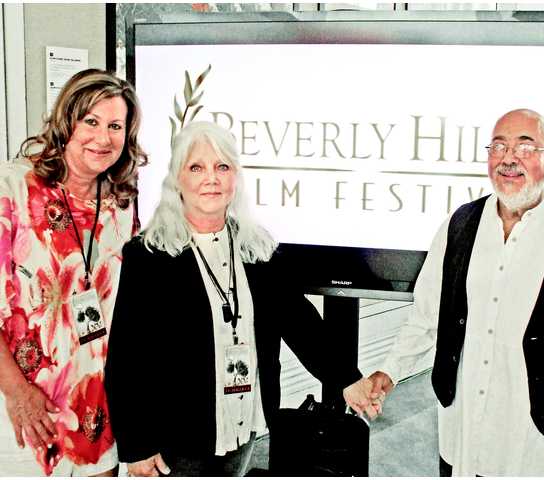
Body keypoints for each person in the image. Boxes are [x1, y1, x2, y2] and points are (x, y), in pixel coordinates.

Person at [104, 121, 377, 477]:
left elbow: (301, 323)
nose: (211, 178)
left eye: (222, 167)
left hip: (244, 424)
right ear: (177, 180)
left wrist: (347, 379)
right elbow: (128, 359)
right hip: (177, 440)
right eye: (197, 167)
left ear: (235, 177)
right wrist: (137, 445)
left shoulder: (257, 248)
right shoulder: (149, 256)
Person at [369, 109, 544, 476]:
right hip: (462, 432)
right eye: (499, 147)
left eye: (524, 147)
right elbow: (426, 317)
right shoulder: (459, 223)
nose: (508, 158)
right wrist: (390, 370)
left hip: (535, 443)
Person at [0, 69, 148, 476]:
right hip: (26, 410)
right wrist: (17, 394)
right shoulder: (12, 187)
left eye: (115, 126)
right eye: (91, 122)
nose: (103, 138)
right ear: (67, 122)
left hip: (98, 412)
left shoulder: (122, 203)